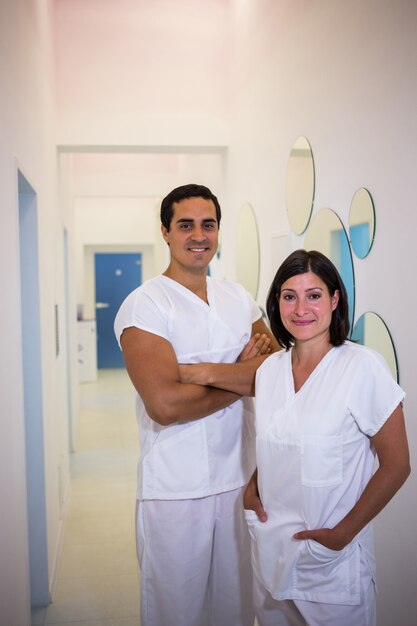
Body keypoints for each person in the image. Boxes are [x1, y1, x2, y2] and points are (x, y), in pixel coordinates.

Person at [114, 183, 279, 626]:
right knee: (176, 614)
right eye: (185, 225)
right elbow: (165, 405)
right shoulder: (144, 306)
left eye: (208, 225)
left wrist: (198, 371)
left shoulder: (237, 298)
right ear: (166, 232)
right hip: (174, 490)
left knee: (237, 610)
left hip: (237, 482)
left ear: (219, 231)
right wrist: (239, 376)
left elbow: (275, 374)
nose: (198, 235)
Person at [242, 249, 411, 626]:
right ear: (277, 303)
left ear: (335, 299)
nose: (301, 308)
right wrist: (254, 486)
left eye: (314, 295)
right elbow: (280, 439)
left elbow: (398, 465)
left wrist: (342, 534)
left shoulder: (362, 367)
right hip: (272, 552)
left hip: (332, 566)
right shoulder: (270, 370)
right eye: (289, 296)